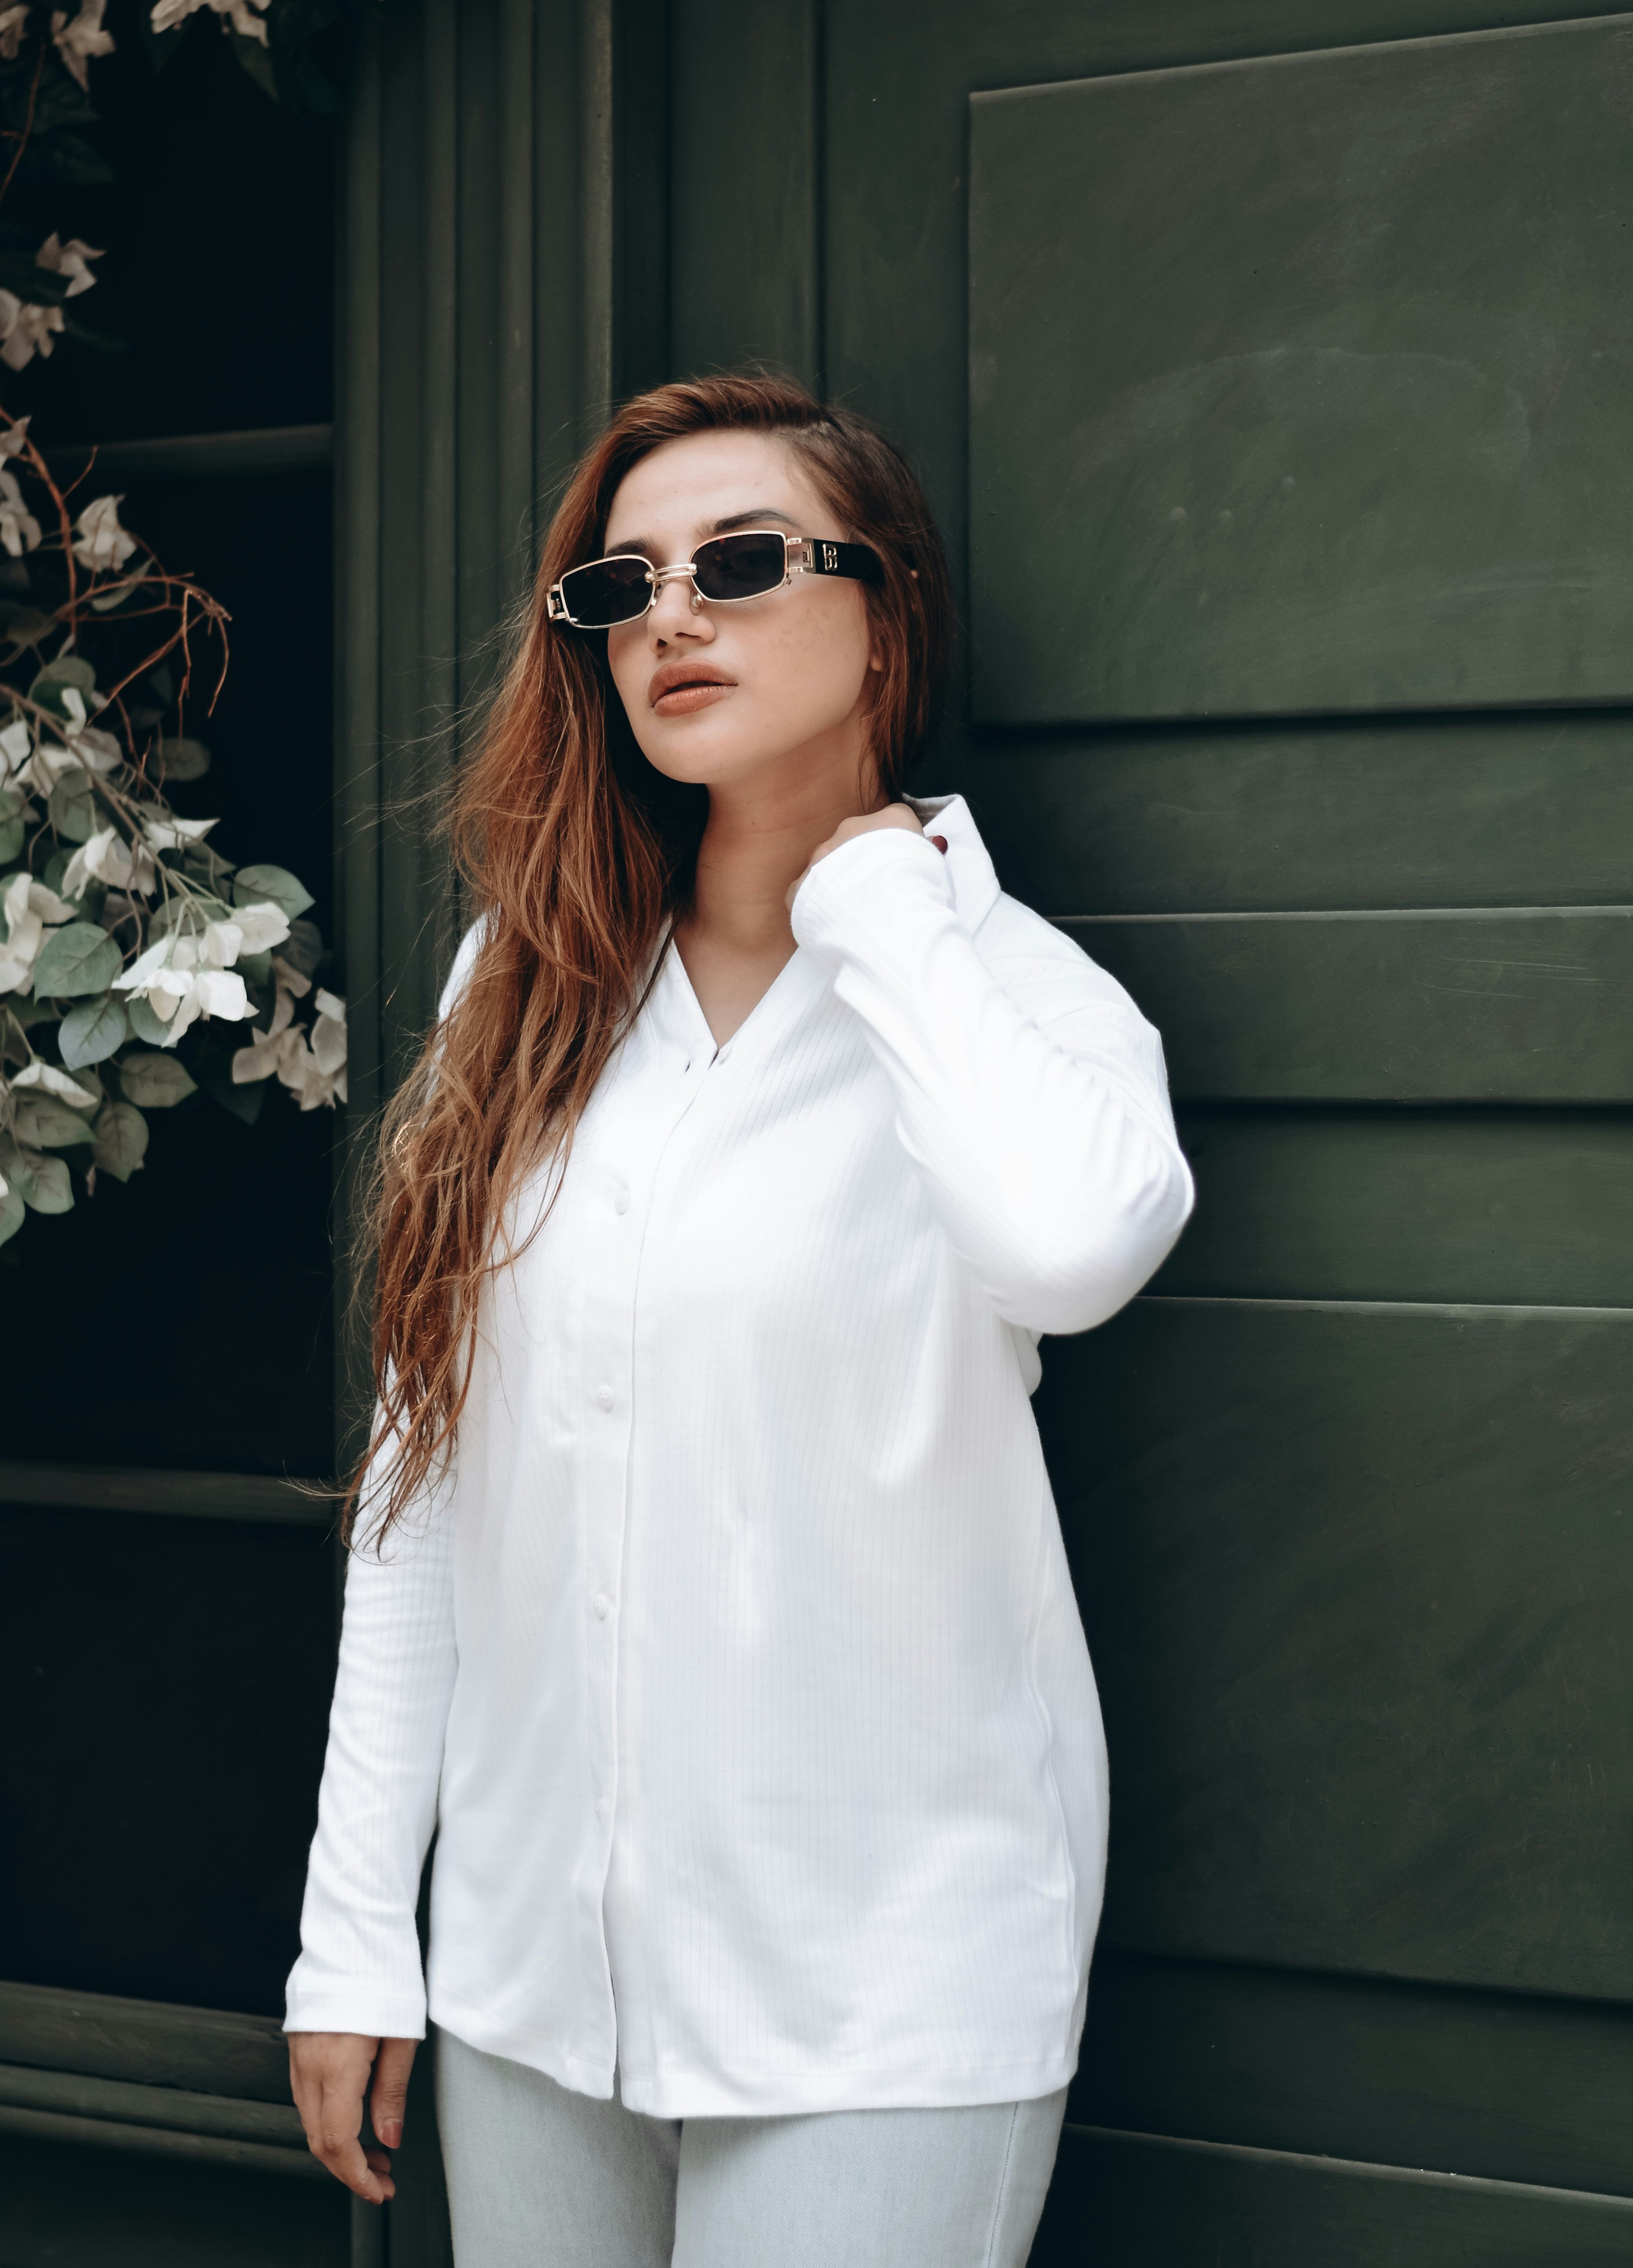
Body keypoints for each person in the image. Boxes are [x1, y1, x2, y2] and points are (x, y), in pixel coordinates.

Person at [283, 371, 1194, 2265]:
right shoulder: (520, 991)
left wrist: (878, 900)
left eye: (744, 561)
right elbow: (424, 1475)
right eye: (622, 586)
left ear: (888, 619)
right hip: (536, 1983)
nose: (672, 614)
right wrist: (357, 1927)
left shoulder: (1019, 998)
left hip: (885, 1991)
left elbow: (1071, 1248)